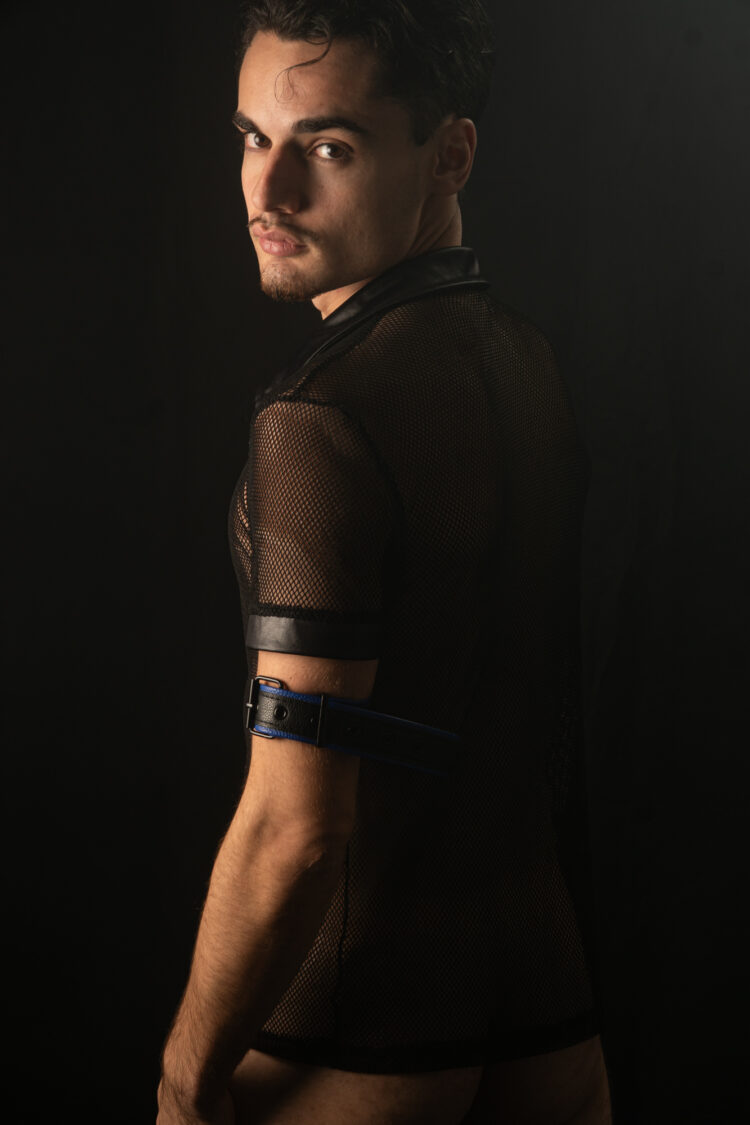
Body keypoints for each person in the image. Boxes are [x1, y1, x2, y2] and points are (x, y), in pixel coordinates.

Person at [157, 2, 613, 1122]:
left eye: (327, 147)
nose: (268, 192)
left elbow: (297, 828)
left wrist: (183, 1079)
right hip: (549, 1023)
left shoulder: (320, 416)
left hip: (362, 1032)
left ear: (451, 154)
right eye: (253, 138)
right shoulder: (529, 368)